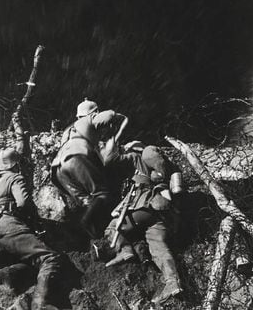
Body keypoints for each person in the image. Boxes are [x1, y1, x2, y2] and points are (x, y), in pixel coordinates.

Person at [0, 148, 62, 310]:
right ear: (16, 164)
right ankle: (41, 305)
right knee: (49, 259)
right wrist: (34, 221)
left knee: (31, 261)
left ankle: (1, 276)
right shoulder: (14, 177)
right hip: (8, 227)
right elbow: (23, 203)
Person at [104, 144, 183, 305]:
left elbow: (110, 160)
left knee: (112, 228)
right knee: (158, 246)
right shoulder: (163, 171)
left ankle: (125, 250)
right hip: (162, 212)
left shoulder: (135, 158)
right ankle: (172, 282)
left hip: (143, 205)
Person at [51, 98, 128, 239]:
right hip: (76, 159)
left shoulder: (69, 129)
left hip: (59, 169)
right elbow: (108, 116)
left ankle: (95, 238)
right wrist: (115, 115)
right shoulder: (89, 119)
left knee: (88, 203)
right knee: (102, 193)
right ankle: (85, 223)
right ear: (94, 112)